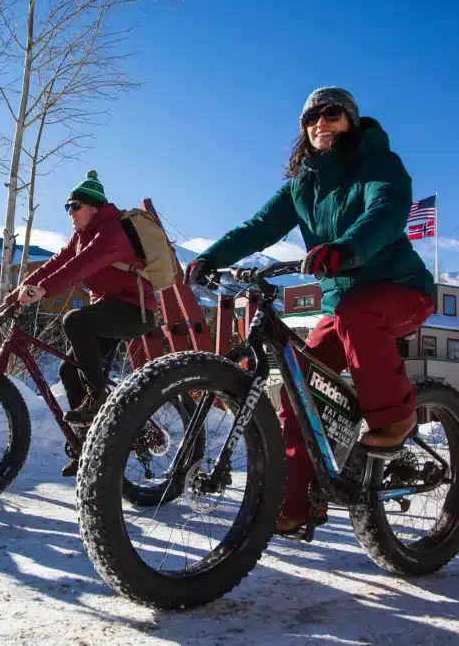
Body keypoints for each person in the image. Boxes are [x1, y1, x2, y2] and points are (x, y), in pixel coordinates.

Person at [185, 87, 435, 536]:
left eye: (332, 113)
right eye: (311, 117)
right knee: (301, 386)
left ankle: (395, 418)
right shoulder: (303, 184)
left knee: (358, 315)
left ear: (351, 120)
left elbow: (386, 210)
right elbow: (259, 227)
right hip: (343, 308)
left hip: (400, 289)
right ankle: (298, 504)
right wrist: (212, 257)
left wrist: (347, 248)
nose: (321, 122)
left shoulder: (379, 164)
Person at [2, 171, 157, 476]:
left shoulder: (111, 233)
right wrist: (13, 296)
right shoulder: (81, 236)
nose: (69, 213)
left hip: (134, 310)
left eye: (75, 206)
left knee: (75, 319)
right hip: (106, 312)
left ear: (94, 208)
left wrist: (44, 290)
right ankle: (88, 446)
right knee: (67, 371)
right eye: (67, 207)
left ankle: (98, 396)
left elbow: (79, 266)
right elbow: (55, 263)